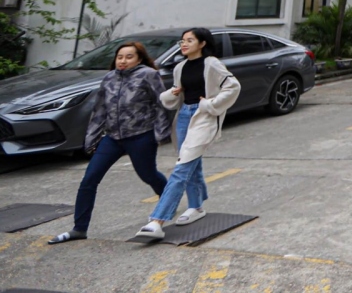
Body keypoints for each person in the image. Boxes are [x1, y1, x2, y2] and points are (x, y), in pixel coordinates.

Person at [49, 42, 173, 244]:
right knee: (89, 179)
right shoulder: (109, 78)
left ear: (139, 59)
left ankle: (168, 200)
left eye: (129, 57)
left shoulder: (149, 75)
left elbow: (163, 104)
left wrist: (160, 133)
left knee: (148, 174)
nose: (123, 61)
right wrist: (92, 138)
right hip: (113, 138)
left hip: (141, 135)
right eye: (120, 57)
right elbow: (100, 110)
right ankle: (79, 229)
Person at [135, 28, 240, 240]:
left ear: (202, 43)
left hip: (203, 116)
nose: (183, 44)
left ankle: (157, 220)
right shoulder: (180, 66)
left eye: (189, 41)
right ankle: (196, 207)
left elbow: (233, 86)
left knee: (182, 168)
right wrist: (172, 93)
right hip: (184, 116)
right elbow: (176, 91)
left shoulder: (211, 63)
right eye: (182, 41)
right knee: (191, 162)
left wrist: (210, 104)